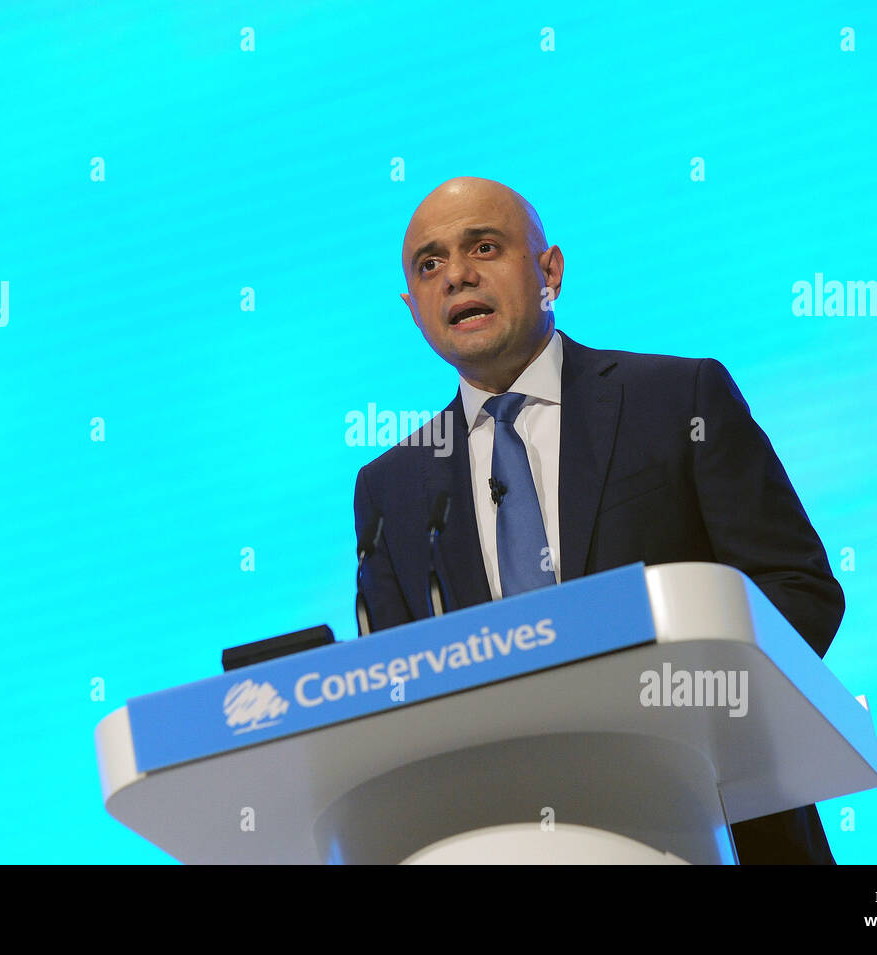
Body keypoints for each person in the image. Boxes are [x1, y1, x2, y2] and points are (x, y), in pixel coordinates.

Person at [352, 176, 845, 864]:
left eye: (484, 246)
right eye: (429, 265)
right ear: (413, 307)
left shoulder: (677, 399)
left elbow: (799, 588)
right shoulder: (391, 488)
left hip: (716, 825)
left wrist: (674, 706)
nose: (457, 275)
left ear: (549, 270)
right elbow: (396, 696)